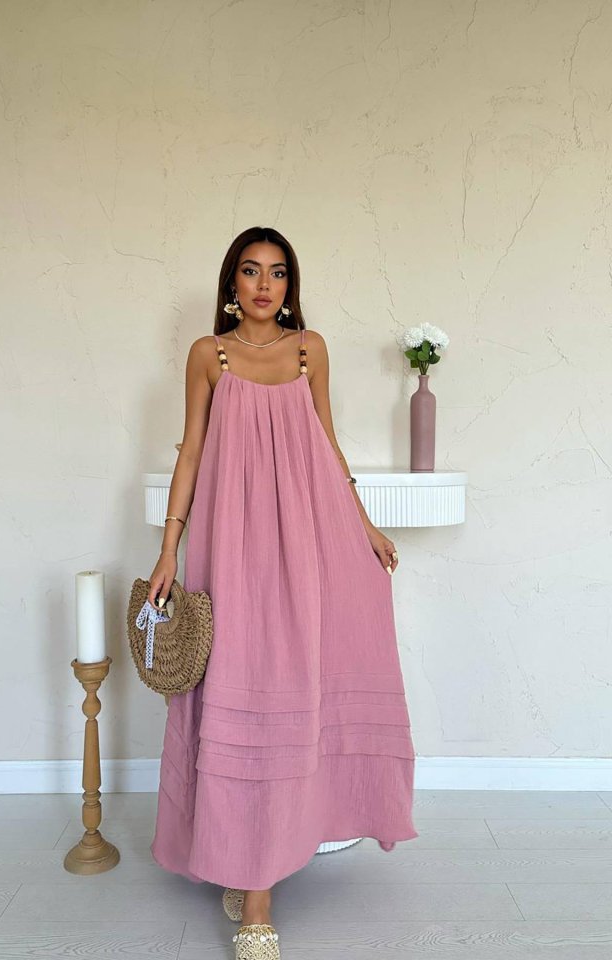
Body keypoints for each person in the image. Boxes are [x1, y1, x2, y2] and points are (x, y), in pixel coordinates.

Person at [147, 226, 418, 959]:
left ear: (290, 286)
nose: (264, 285)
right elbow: (192, 451)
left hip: (308, 537)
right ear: (231, 284)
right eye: (250, 271)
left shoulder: (309, 351)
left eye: (276, 273)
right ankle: (249, 877)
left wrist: (363, 525)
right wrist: (169, 548)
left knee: (299, 684)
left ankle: (258, 883)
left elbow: (327, 443)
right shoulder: (209, 355)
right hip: (231, 545)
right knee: (244, 686)